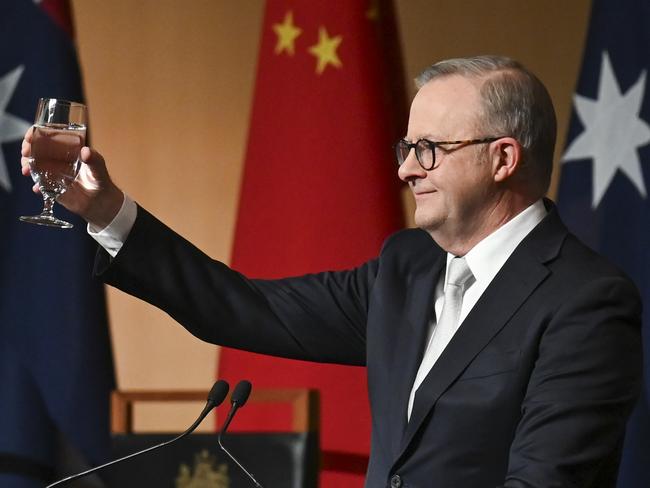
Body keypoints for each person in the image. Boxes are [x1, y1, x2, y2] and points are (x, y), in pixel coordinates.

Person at [21, 55, 642, 488]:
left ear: (503, 158)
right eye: (406, 150)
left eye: (429, 150)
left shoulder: (586, 301)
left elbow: (545, 481)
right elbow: (238, 308)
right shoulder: (407, 268)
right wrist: (104, 209)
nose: (405, 171)